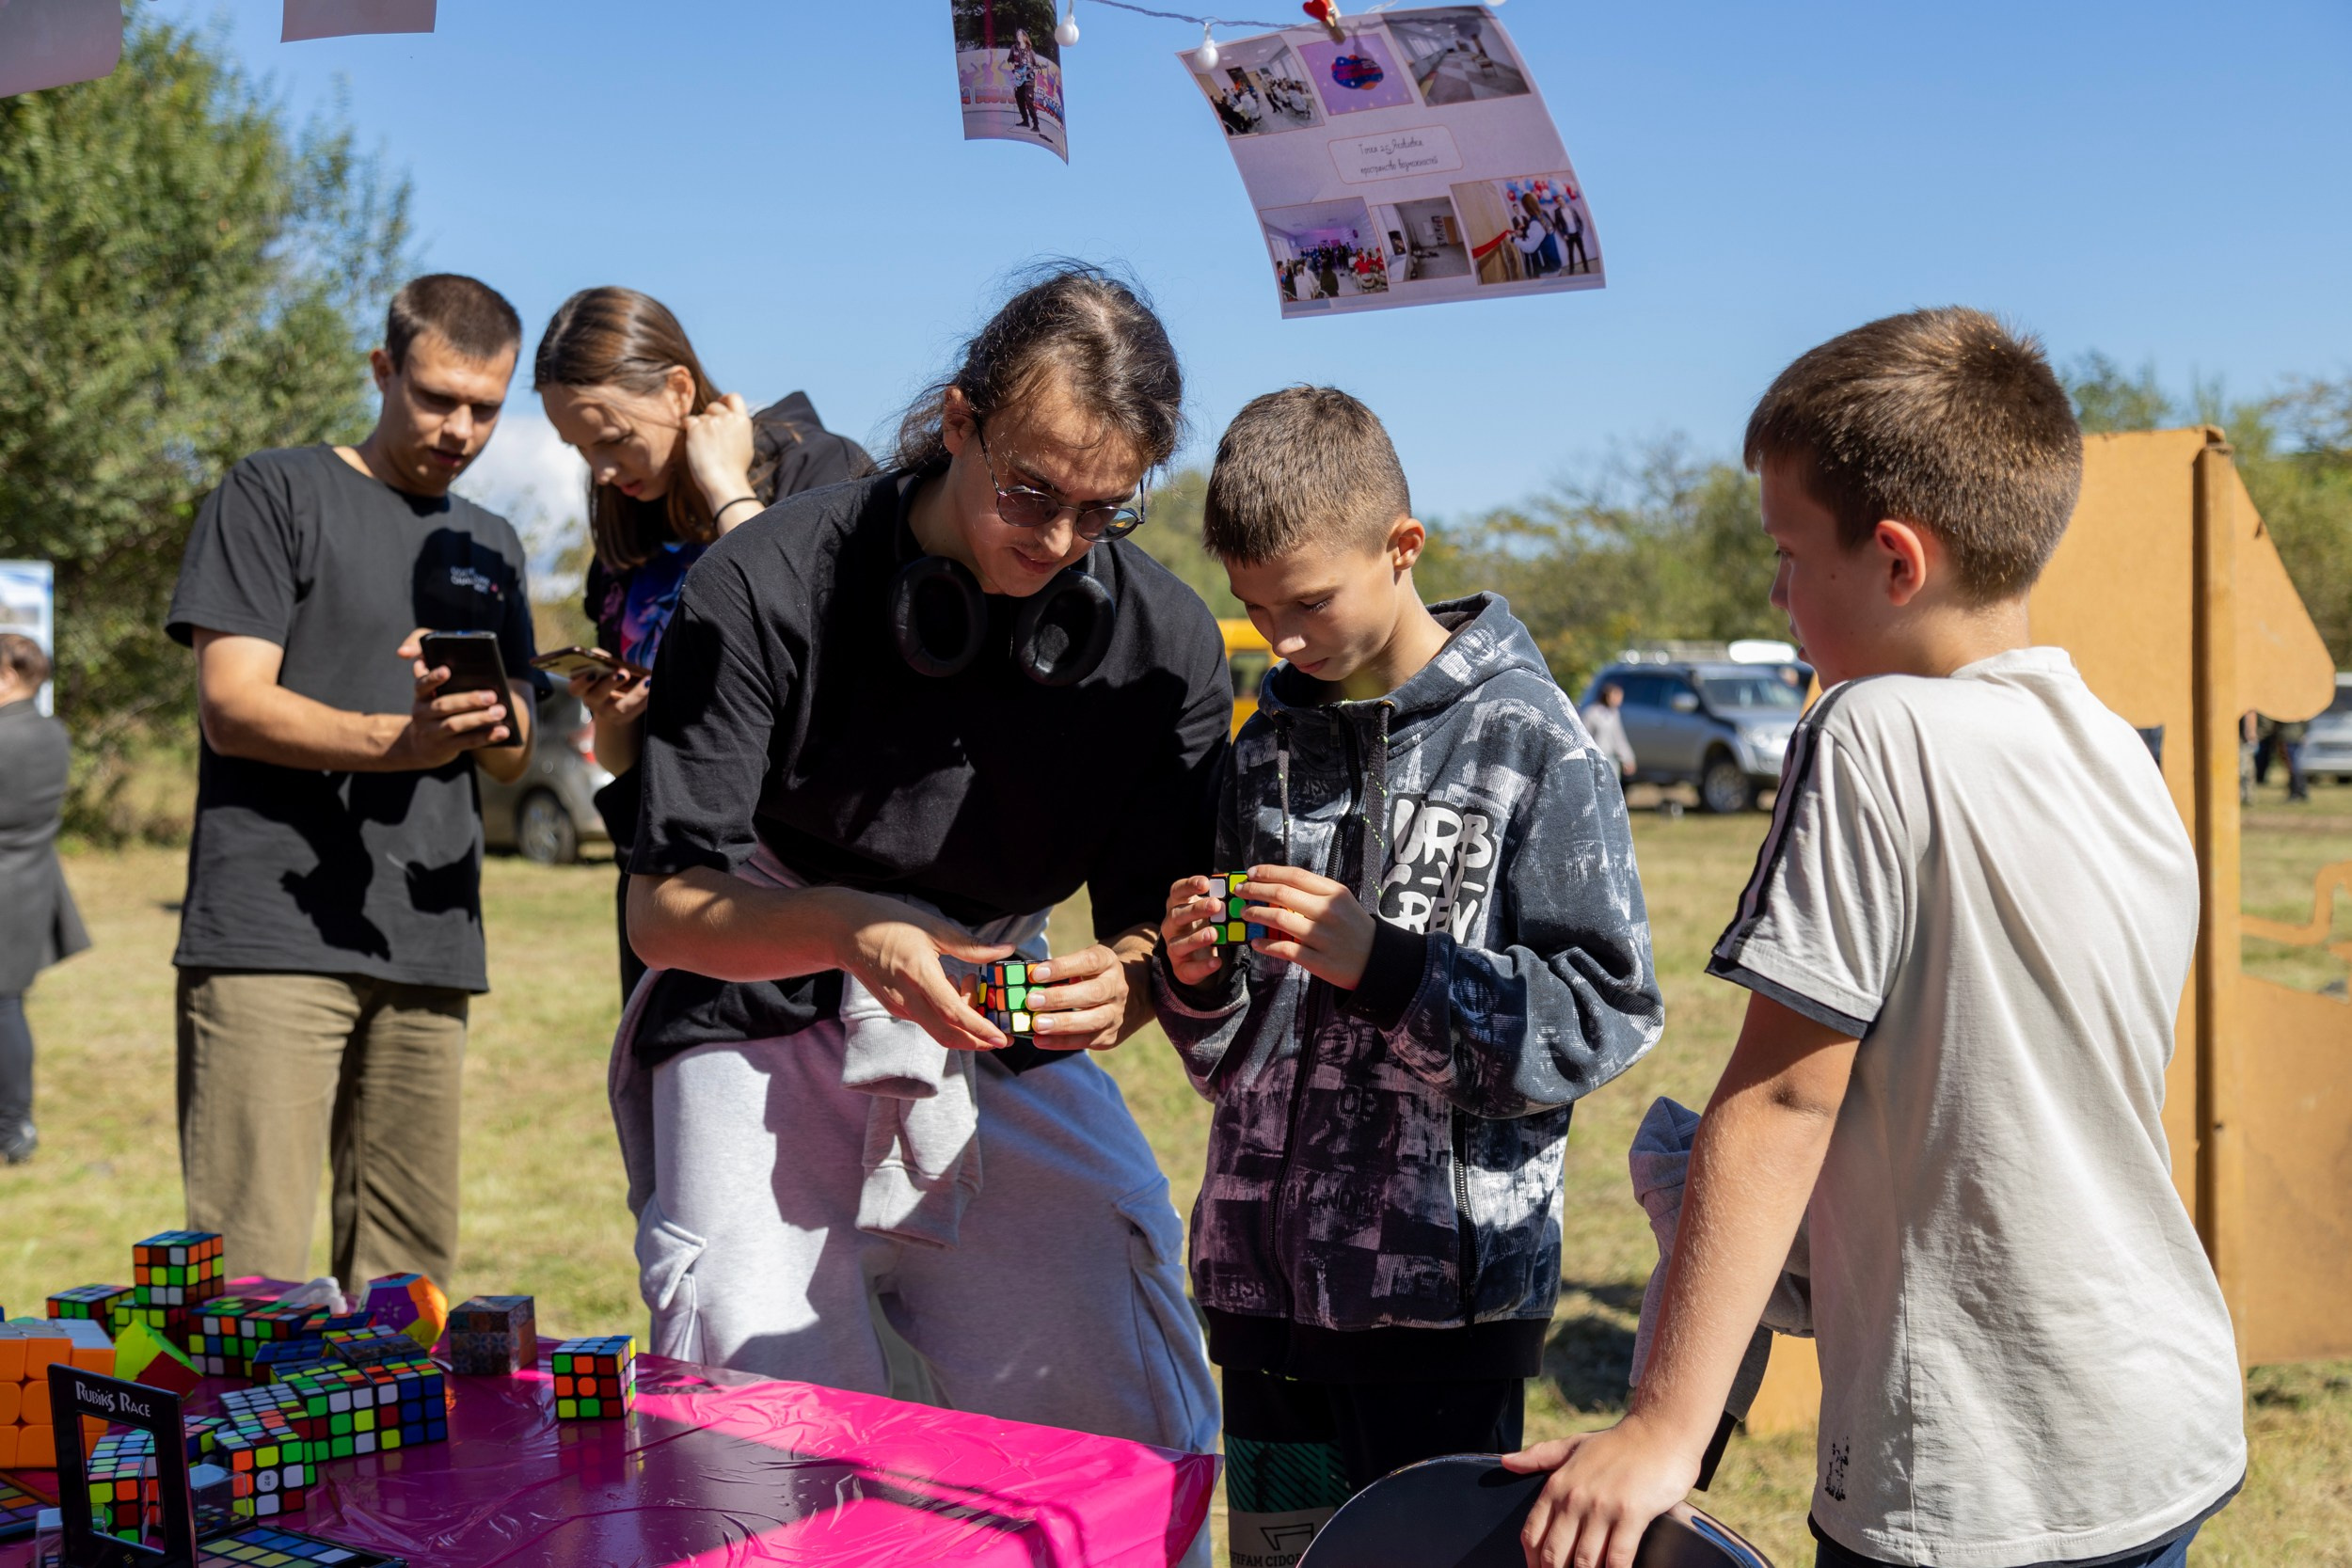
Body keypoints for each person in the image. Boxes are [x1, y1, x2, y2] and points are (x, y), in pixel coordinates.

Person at [1508, 309, 2246, 1568]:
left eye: (1789, 554)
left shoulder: (1872, 730)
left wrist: (1665, 1426)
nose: (1780, 593)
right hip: (2155, 1420)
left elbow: (1790, 1092)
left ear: (1897, 560)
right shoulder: (2116, 754)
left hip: (1984, 1462)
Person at [611, 267, 1227, 1551]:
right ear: (959, 420)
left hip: (993, 1015)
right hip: (760, 993)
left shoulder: (1164, 642)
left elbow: (1151, 927)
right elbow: (665, 909)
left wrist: (1124, 977)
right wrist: (851, 929)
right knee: (751, 1400)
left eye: (1105, 510)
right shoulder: (769, 578)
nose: (1057, 543)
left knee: (1115, 1360)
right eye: (1031, 494)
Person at [1152, 388, 1664, 1567]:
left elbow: (1603, 1015)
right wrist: (1198, 982)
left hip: (1443, 1323)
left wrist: (1383, 966)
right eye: (1254, 608)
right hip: (1263, 1309)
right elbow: (1229, 1058)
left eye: (1308, 600)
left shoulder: (1532, 736)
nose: (1280, 638)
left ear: (1402, 547)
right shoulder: (1263, 750)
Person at [165, 274, 539, 1291]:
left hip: (430, 941)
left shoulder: (492, 545)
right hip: (270, 936)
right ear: (383, 370)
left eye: (487, 408)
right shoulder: (273, 491)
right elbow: (232, 703)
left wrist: (505, 716)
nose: (461, 428)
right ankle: (239, 1458)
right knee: (257, 1278)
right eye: (436, 397)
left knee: (409, 1287)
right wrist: (401, 741)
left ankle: (390, 1464)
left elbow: (513, 749)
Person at [534, 286, 871, 1004]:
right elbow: (631, 768)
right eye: (578, 449)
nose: (599, 469)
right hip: (673, 901)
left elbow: (825, 651)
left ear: (677, 388)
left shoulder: (816, 472)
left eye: (611, 437)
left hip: (803, 901)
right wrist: (618, 715)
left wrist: (722, 484)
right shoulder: (625, 544)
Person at [0, 635, 88, 1164]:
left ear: (9, 677)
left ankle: (14, 1126)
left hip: (7, 886)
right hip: (30, 885)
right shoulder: (52, 732)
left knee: (6, 1008)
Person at [1581, 680, 1637, 780]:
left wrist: (1628, 758)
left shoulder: (1614, 714)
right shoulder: (1591, 713)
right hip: (1596, 759)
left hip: (1611, 758)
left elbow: (1619, 738)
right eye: (1616, 696)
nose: (1619, 700)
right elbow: (1583, 737)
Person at [1008, 29, 1040, 133]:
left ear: (1025, 37)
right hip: (1018, 79)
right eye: (1017, 35)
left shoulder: (1031, 52)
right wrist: (1014, 71)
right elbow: (1009, 61)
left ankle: (1036, 124)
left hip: (1029, 80)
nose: (1019, 36)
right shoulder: (1014, 48)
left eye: (1021, 35)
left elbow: (1036, 66)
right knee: (1019, 100)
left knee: (1029, 101)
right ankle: (1025, 121)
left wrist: (1038, 69)